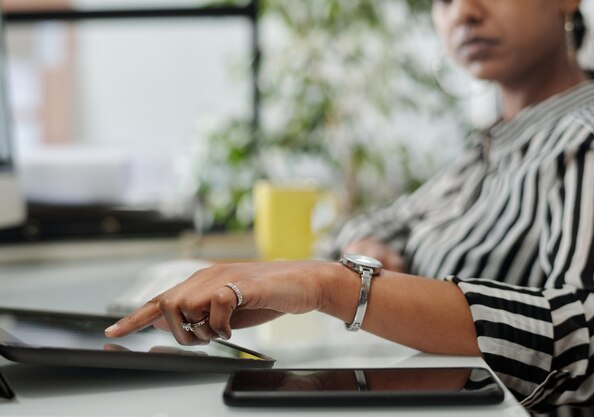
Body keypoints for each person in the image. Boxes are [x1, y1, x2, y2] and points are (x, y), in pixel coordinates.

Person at [105, 0, 594, 410]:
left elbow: (581, 333)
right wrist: (372, 253)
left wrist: (332, 285)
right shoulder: (488, 147)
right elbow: (384, 219)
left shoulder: (583, 136)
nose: (463, 12)